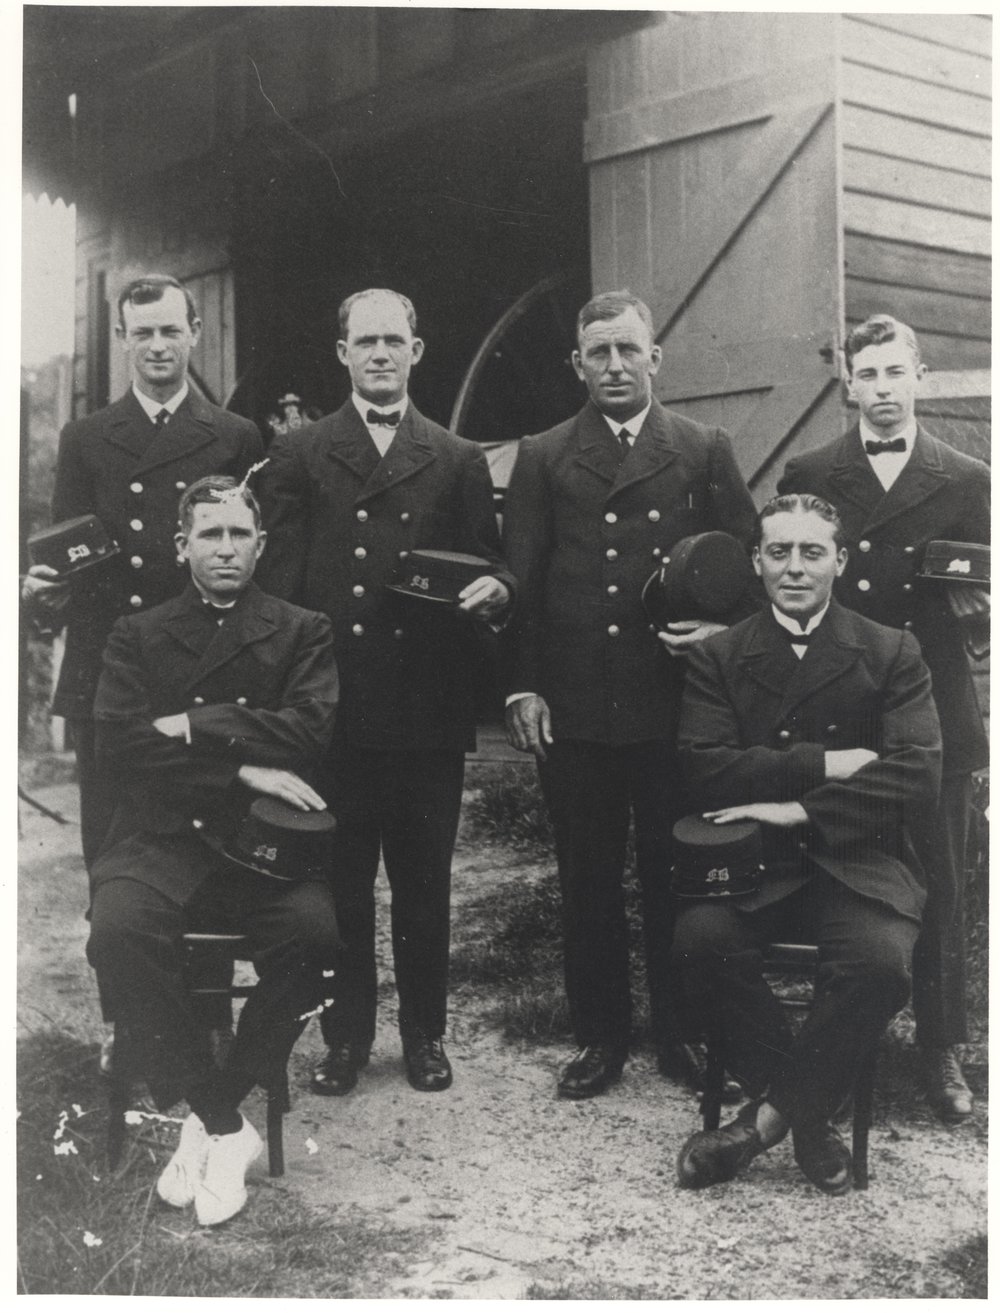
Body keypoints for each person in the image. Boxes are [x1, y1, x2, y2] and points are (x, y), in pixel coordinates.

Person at [501, 289, 757, 1099]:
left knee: (674, 870)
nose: (615, 366)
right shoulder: (543, 454)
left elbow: (750, 570)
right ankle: (601, 1035)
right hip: (576, 707)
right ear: (577, 364)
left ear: (656, 357)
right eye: (598, 353)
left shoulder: (701, 447)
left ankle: (680, 1030)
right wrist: (523, 686)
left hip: (674, 703)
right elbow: (521, 582)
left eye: (628, 350)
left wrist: (722, 639)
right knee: (586, 875)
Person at [258, 288, 514, 1096]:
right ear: (341, 354)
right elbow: (281, 589)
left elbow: (490, 564)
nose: (379, 354)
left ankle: (425, 1036)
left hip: (424, 712)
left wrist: (497, 591)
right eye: (364, 341)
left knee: (423, 886)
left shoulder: (455, 455)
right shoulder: (301, 455)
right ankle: (346, 1039)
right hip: (335, 714)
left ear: (417, 350)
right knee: (340, 887)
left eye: (393, 340)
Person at [86, 475, 341, 1227]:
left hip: (264, 848)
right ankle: (222, 1117)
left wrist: (194, 723)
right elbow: (118, 743)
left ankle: (213, 1116)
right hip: (161, 838)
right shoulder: (138, 633)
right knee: (118, 931)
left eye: (238, 534)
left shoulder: (303, 629)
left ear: (261, 543)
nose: (225, 548)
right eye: (210, 534)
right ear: (181, 546)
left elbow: (309, 729)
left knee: (314, 937)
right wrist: (240, 762)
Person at [672, 494, 942, 1196]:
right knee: (699, 941)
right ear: (757, 562)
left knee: (881, 964)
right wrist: (824, 763)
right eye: (780, 551)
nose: (795, 567)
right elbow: (703, 764)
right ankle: (807, 1111)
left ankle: (760, 1124)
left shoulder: (891, 650)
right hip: (755, 865)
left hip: (860, 860)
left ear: (841, 561)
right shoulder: (721, 654)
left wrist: (797, 808)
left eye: (812, 551)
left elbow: (916, 772)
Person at [778, 315, 989, 1123]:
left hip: (934, 713)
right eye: (868, 375)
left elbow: (985, 611)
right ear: (849, 385)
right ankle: (844, 1038)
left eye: (897, 372)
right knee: (840, 870)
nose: (884, 389)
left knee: (939, 883)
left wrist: (979, 615)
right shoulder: (812, 469)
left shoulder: (969, 477)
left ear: (922, 377)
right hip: (844, 708)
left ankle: (941, 1047)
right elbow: (789, 582)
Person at [22, 274, 264, 871]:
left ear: (196, 334)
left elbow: (254, 566)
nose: (158, 345)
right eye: (144, 332)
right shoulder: (85, 438)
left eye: (171, 331)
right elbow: (64, 554)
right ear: (124, 338)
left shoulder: (236, 437)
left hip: (203, 666)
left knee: (208, 855)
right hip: (111, 668)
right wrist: (43, 590)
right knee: (113, 850)